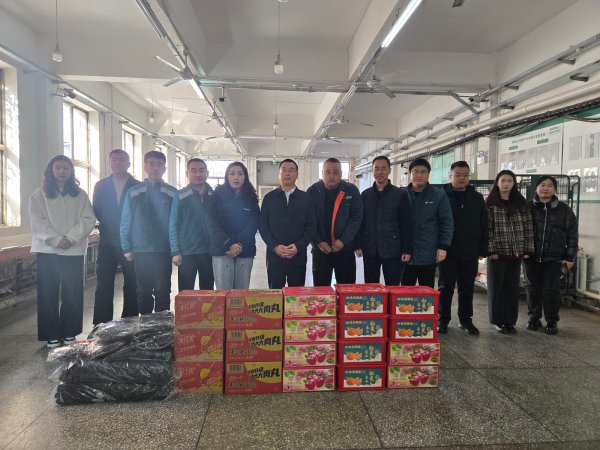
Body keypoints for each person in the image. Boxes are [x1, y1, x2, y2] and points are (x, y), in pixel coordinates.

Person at [29, 155, 96, 348]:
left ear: (71, 171)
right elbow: (37, 221)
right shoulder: (39, 195)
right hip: (47, 250)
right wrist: (57, 239)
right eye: (57, 168)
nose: (61, 171)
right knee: (47, 292)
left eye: (66, 168)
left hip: (73, 250)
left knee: (72, 292)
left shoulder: (80, 195)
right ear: (51, 170)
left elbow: (88, 219)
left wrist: (71, 238)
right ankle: (51, 333)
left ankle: (69, 331)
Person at [120, 150, 178, 314]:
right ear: (145, 167)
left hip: (163, 249)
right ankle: (145, 326)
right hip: (141, 249)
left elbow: (175, 222)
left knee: (162, 291)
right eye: (151, 164)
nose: (155, 168)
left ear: (164, 169)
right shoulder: (134, 192)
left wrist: (175, 249)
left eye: (159, 165)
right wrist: (126, 246)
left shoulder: (172, 193)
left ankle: (161, 327)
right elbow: (126, 220)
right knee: (143, 291)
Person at [437, 161, 488, 335]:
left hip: (470, 251)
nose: (461, 178)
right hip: (447, 251)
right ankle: (442, 320)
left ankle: (466, 320)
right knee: (445, 287)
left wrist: (482, 250)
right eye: (457, 175)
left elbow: (483, 224)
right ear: (450, 176)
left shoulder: (477, 198)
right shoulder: (441, 196)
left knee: (467, 287)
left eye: (465, 175)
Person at [524, 176, 578, 335]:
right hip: (531, 256)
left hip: (554, 258)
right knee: (532, 288)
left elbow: (573, 235)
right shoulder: (527, 207)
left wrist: (570, 257)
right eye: (542, 185)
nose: (545, 188)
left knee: (551, 290)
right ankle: (534, 318)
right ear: (536, 188)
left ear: (555, 189)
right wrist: (522, 251)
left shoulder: (565, 210)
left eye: (549, 186)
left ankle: (552, 321)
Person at [92, 149, 141, 325]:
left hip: (131, 242)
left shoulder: (137, 186)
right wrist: (109, 223)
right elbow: (97, 209)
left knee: (132, 282)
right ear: (110, 162)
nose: (118, 163)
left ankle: (129, 322)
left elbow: (140, 213)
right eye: (114, 160)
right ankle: (101, 324)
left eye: (121, 160)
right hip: (107, 241)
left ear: (129, 163)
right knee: (104, 283)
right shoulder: (101, 185)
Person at [486, 169, 534, 334]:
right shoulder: (490, 203)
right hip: (497, 253)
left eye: (509, 181)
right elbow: (487, 228)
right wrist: (491, 249)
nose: (506, 184)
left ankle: (510, 321)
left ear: (514, 184)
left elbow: (528, 226)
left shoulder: (521, 203)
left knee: (512, 288)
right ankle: (498, 321)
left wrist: (527, 248)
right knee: (496, 288)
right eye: (503, 181)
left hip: (516, 252)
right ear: (497, 183)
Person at [259, 159, 316, 288]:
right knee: (275, 292)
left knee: (296, 294)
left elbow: (311, 226)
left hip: (297, 256)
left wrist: (298, 246)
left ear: (297, 174)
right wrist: (275, 246)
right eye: (283, 170)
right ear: (279, 174)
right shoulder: (269, 198)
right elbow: (263, 225)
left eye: (291, 170)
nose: (287, 173)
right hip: (275, 256)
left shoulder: (306, 198)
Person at [355, 156, 412, 285]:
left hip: (393, 249)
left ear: (389, 170)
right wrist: (358, 244)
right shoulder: (365, 195)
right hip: (370, 248)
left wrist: (407, 249)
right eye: (377, 169)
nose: (380, 172)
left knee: (393, 286)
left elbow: (407, 223)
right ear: (372, 171)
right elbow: (361, 222)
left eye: (383, 168)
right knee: (371, 287)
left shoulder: (400, 194)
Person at [307, 158, 363, 286]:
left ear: (341, 174)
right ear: (322, 173)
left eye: (335, 172)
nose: (331, 176)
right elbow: (308, 221)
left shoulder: (351, 190)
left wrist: (343, 240)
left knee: (347, 290)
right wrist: (318, 242)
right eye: (327, 172)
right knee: (322, 291)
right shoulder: (312, 192)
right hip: (321, 250)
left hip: (345, 249)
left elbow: (357, 217)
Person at [205, 161, 259, 289]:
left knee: (241, 292)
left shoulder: (251, 197)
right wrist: (228, 243)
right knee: (223, 292)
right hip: (221, 249)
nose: (236, 177)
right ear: (227, 176)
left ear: (245, 177)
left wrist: (239, 244)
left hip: (245, 250)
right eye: (232, 173)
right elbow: (211, 222)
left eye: (240, 174)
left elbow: (253, 222)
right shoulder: (216, 196)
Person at [402, 158, 453, 288]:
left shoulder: (438, 195)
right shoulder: (401, 194)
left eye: (423, 172)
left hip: (429, 253)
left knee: (427, 292)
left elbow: (446, 222)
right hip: (405, 253)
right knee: (404, 292)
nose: (419, 175)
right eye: (415, 171)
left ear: (428, 174)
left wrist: (443, 246)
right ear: (410, 174)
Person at [170, 158, 215, 291]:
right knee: (185, 292)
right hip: (187, 252)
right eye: (193, 171)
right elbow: (173, 224)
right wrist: (175, 251)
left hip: (209, 252)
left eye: (201, 170)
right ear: (187, 173)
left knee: (208, 291)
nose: (198, 174)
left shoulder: (214, 195)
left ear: (207, 173)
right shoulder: (180, 196)